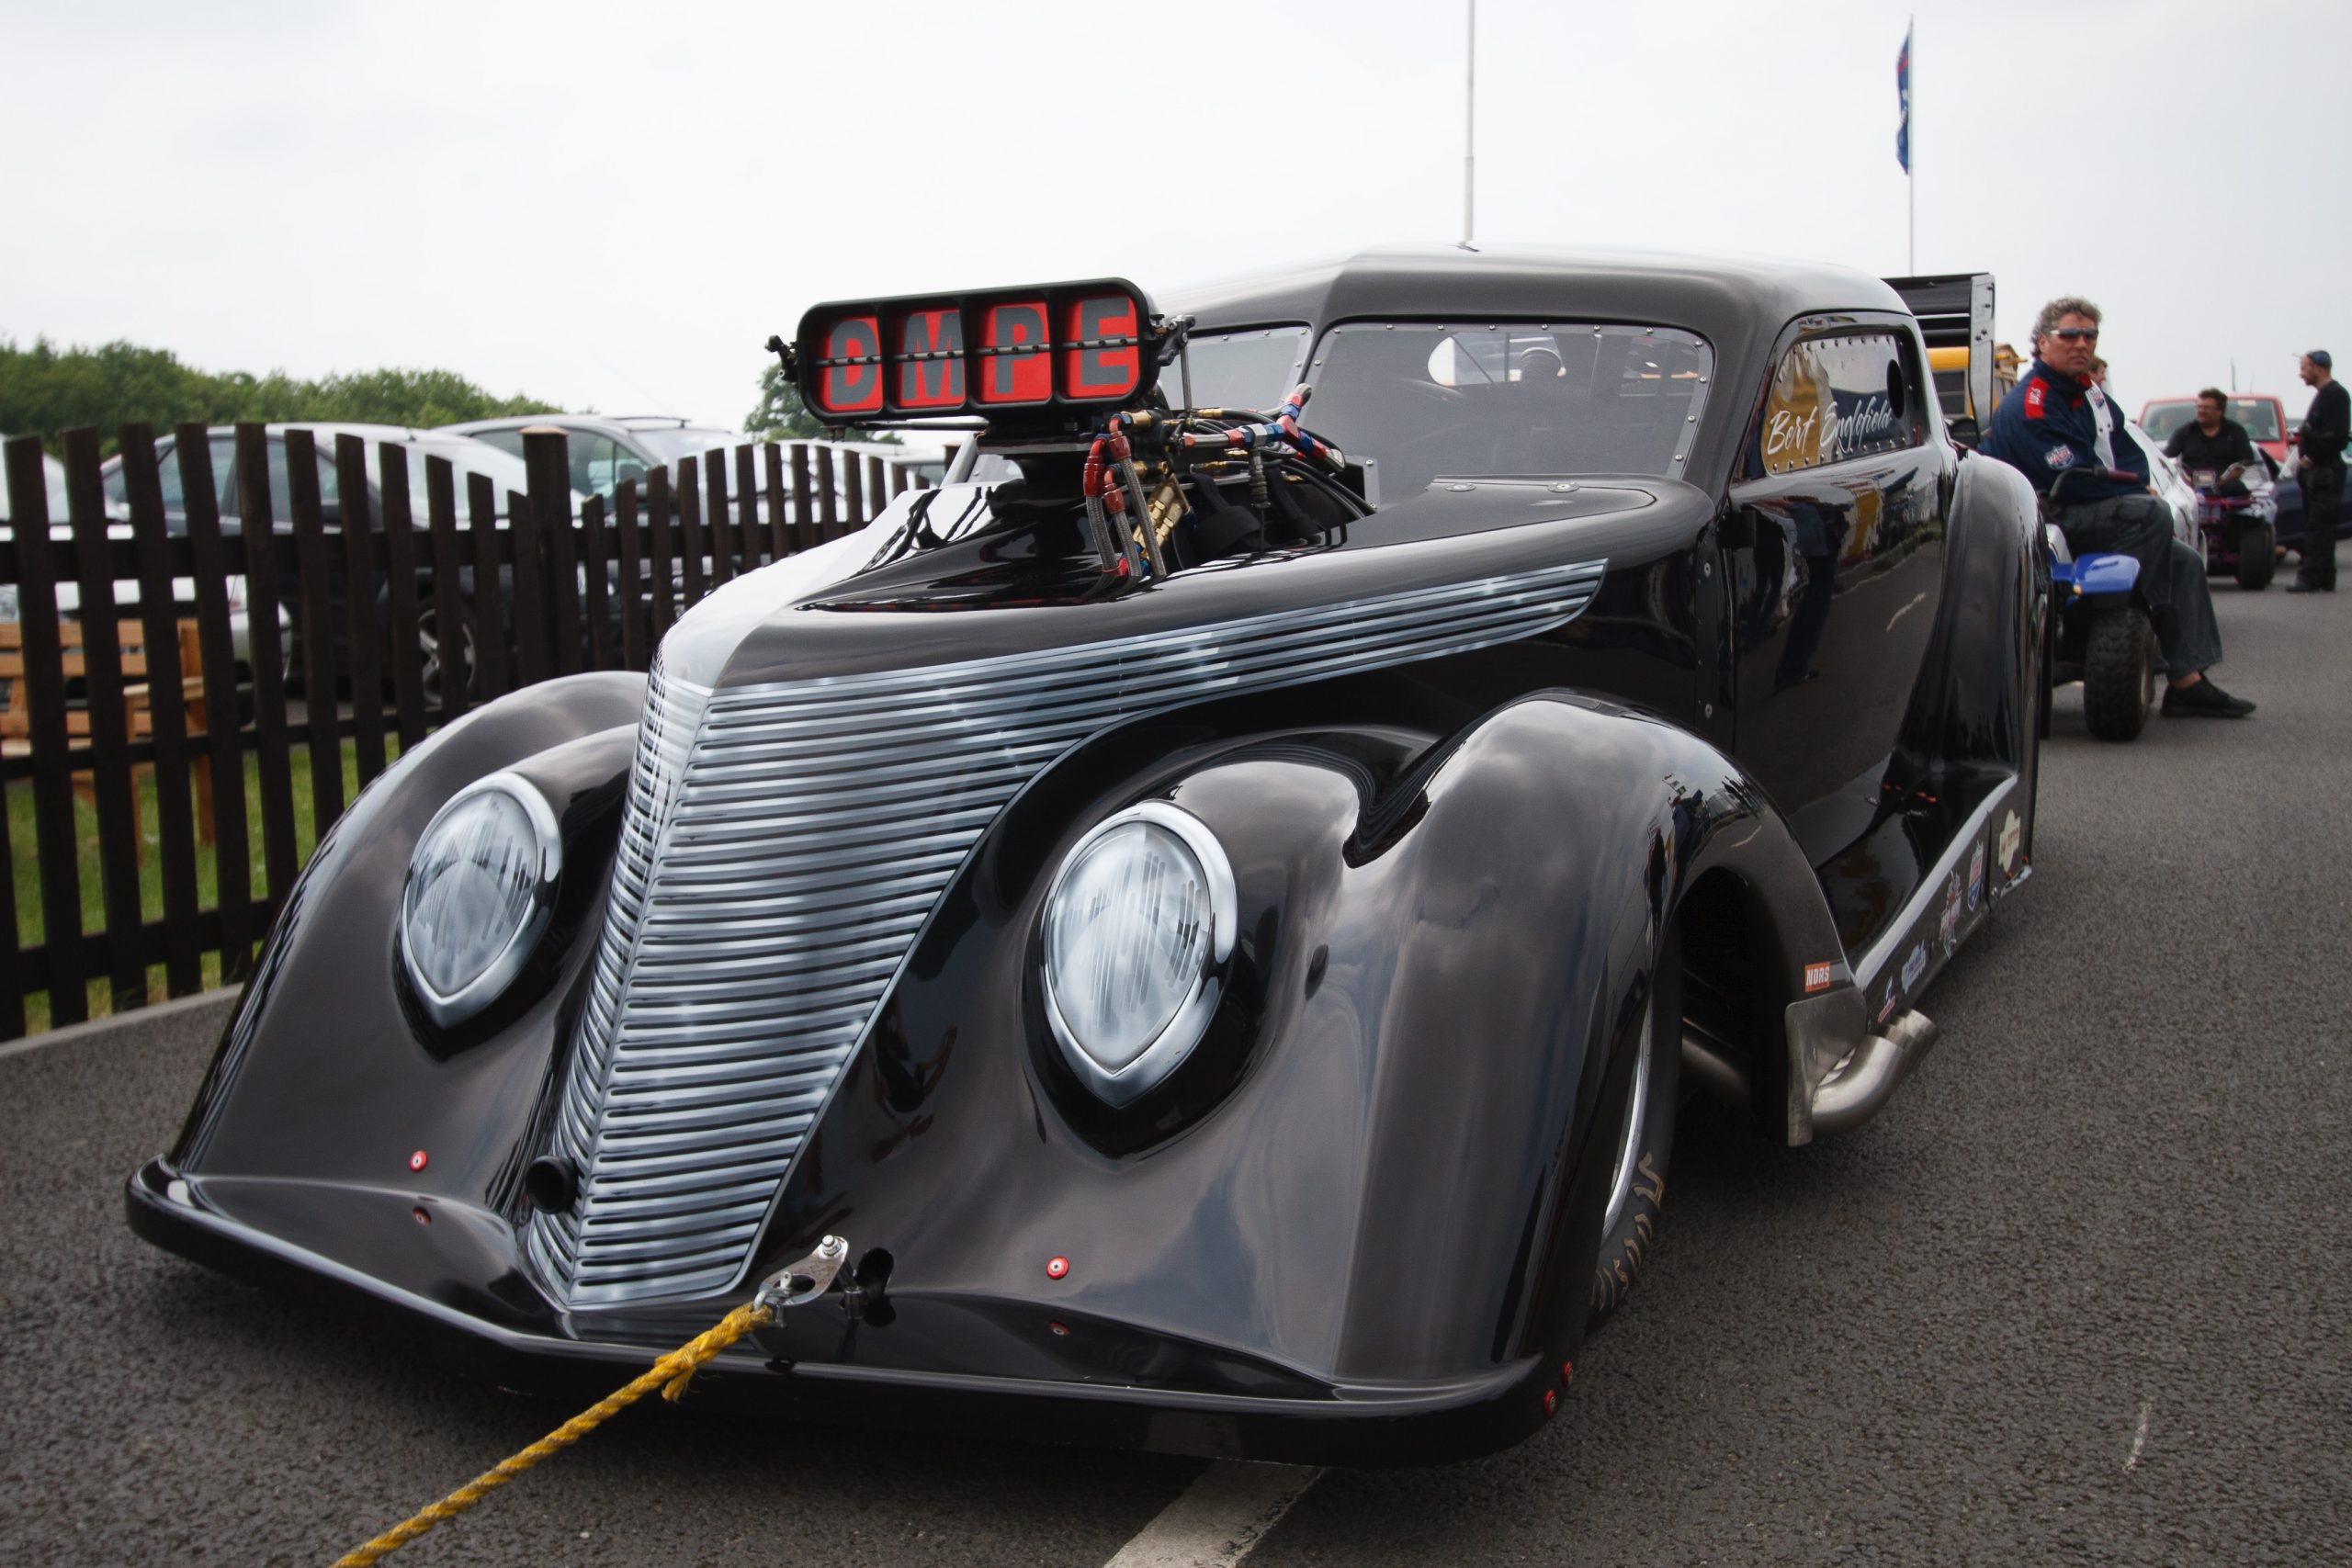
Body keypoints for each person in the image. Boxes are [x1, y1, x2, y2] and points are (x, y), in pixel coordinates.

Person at [1984, 296, 2253, 717]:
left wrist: (2138, 483)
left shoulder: (2090, 395)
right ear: (2041, 343)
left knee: (2183, 560)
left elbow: (2128, 455)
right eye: (2069, 334)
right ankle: (2127, 618)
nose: (2081, 344)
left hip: (2082, 506)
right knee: (2151, 515)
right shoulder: (2030, 403)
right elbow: (2067, 478)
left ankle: (2187, 682)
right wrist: (2131, 492)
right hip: (2046, 516)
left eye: (2089, 335)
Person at [2290, 350, 2346, 592]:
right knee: (2317, 524)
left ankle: (2313, 577)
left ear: (2319, 367)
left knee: (2319, 525)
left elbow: (2337, 436)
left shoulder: (2336, 395)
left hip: (2325, 472)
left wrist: (2311, 456)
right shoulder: (2324, 395)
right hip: (2317, 473)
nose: (2300, 374)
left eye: (2305, 368)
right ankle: (2323, 576)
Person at [2165, 388, 2258, 496]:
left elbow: (2245, 462)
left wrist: (2220, 482)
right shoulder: (2184, 432)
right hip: (2190, 488)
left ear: (2220, 410)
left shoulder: (2236, 432)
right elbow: (2167, 460)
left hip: (2225, 486)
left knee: (2238, 489)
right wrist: (2187, 482)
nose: (2201, 411)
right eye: (2199, 407)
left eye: (2207, 408)